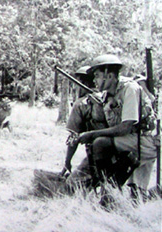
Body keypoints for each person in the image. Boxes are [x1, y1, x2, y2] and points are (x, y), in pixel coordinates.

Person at [77, 54, 157, 200]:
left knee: (100, 143)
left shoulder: (129, 89)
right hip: (132, 140)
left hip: (145, 141)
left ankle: (108, 188)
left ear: (108, 74)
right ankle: (108, 189)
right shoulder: (107, 95)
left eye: (97, 75)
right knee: (136, 198)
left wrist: (92, 134)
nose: (94, 80)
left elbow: (125, 127)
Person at [61, 66, 109, 192]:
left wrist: (67, 162)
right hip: (120, 148)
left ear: (82, 83)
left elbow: (74, 136)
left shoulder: (82, 104)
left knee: (70, 186)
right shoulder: (110, 97)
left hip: (99, 153)